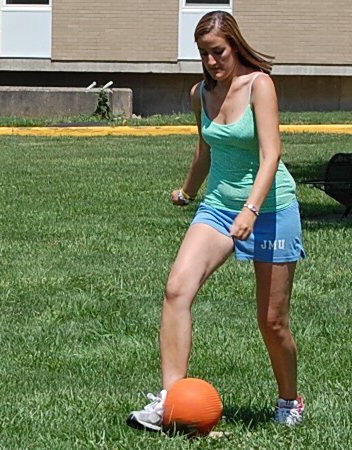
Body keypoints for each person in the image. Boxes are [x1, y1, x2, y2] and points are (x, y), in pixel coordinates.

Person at [127, 11, 306, 431]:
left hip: (271, 209)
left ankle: (289, 400)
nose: (211, 61)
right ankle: (171, 403)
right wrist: (188, 192)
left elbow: (272, 155)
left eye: (218, 52)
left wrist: (251, 210)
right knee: (176, 290)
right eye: (203, 54)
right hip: (219, 207)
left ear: (235, 46)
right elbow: (205, 150)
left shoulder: (259, 85)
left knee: (272, 321)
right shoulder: (200, 93)